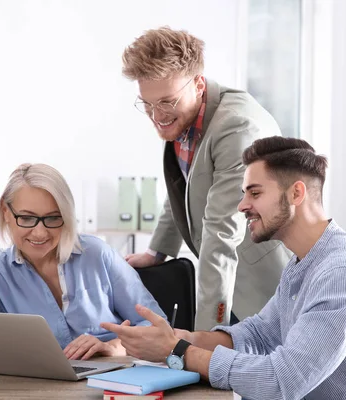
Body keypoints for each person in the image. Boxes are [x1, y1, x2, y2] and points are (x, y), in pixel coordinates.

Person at [102, 137, 346, 399]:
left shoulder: (343, 273)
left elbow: (283, 382)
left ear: (296, 194)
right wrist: (180, 337)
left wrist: (178, 353)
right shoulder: (305, 261)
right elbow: (261, 335)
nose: (242, 205)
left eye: (254, 192)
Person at [121, 26, 291, 330]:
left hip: (265, 288)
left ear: (198, 84)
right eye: (147, 103)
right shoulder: (183, 116)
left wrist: (205, 336)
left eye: (166, 102)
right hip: (227, 283)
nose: (157, 115)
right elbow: (185, 190)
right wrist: (157, 251)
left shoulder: (236, 128)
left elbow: (221, 233)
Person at [0, 163, 165, 360]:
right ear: (6, 213)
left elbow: (159, 329)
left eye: (53, 218)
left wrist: (113, 346)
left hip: (109, 382)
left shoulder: (97, 255)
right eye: (27, 218)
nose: (40, 233)